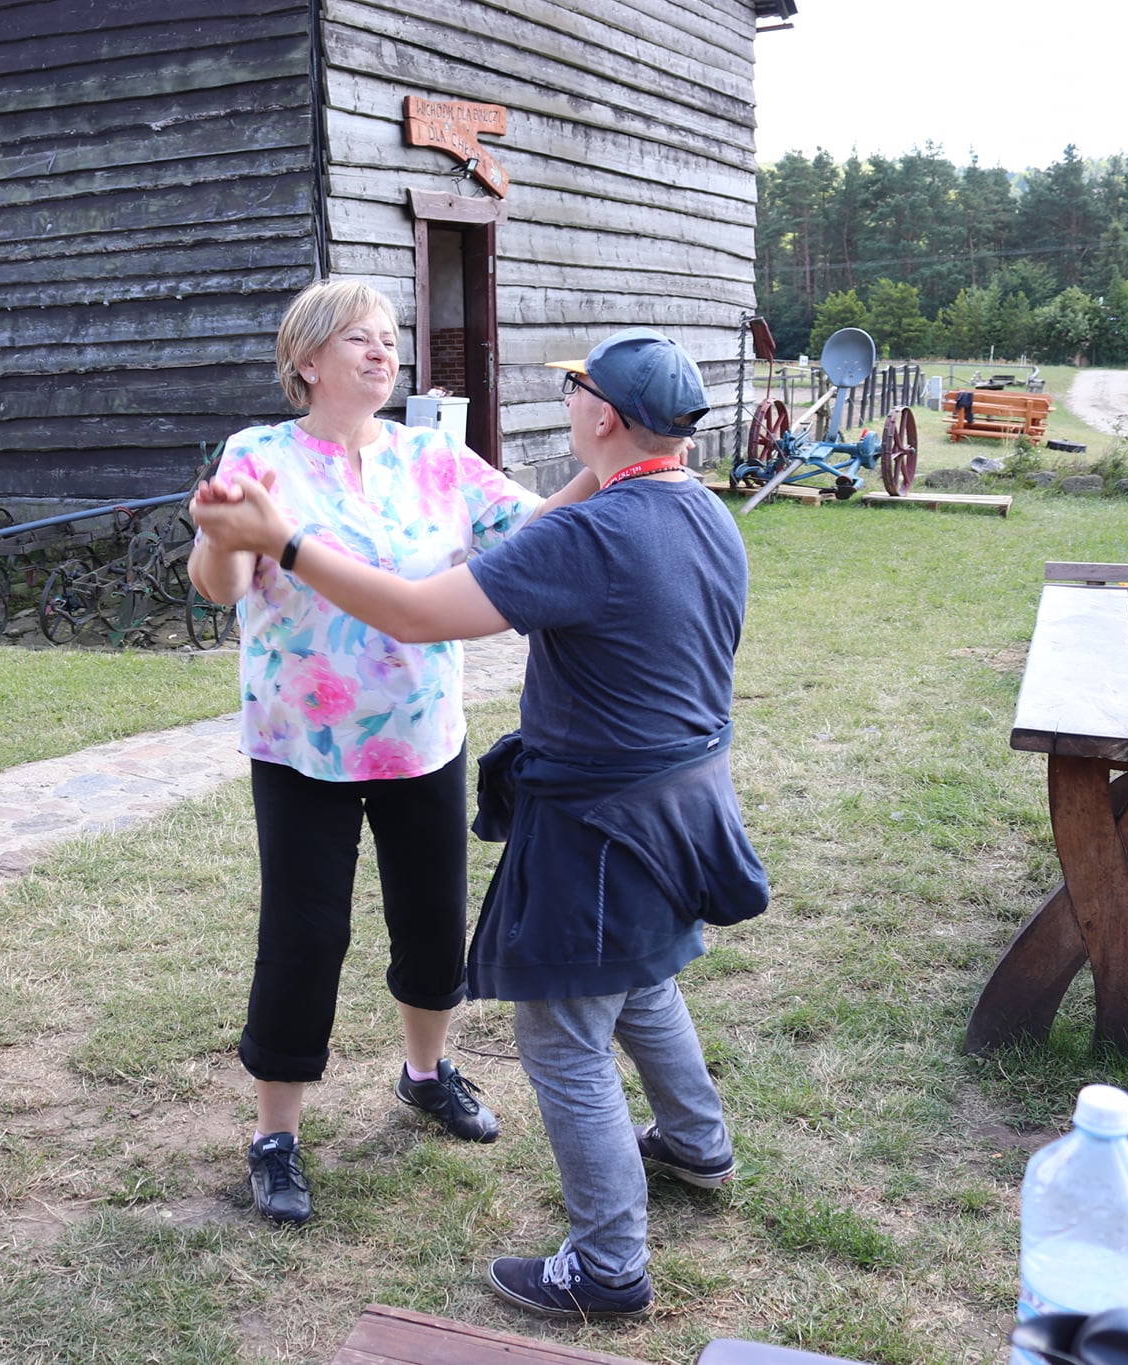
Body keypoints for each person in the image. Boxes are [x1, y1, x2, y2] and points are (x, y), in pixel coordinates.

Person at [192, 326, 767, 1318]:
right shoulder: (702, 509)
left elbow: (424, 611)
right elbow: (555, 529)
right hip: (676, 797)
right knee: (640, 974)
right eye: (358, 336)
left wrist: (285, 541)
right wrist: (236, 539)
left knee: (563, 1029)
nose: (381, 349)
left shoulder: (578, 525)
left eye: (578, 391)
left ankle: (607, 1266)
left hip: (594, 811)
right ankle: (695, 1144)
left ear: (603, 417)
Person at [186, 280, 598, 1227]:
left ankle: (425, 1071)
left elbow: (534, 526)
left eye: (388, 338)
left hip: (421, 733)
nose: (383, 352)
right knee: (304, 935)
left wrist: (619, 466)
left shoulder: (433, 456)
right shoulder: (260, 455)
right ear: (307, 361)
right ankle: (275, 1134)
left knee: (432, 919)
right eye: (358, 340)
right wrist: (218, 532)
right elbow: (221, 585)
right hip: (301, 744)